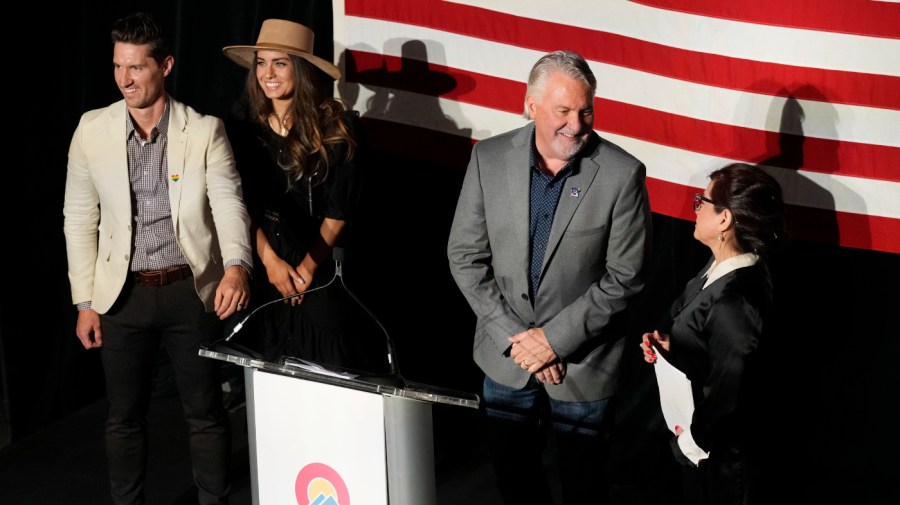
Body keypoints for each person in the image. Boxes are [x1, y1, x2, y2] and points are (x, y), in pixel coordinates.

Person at [63, 12, 252, 505]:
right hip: (122, 297)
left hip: (189, 294)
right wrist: (85, 300)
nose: (124, 79)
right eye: (117, 67)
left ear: (165, 65)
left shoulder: (204, 130)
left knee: (205, 412)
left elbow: (229, 203)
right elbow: (79, 218)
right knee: (123, 418)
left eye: (137, 68)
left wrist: (236, 266)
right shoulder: (92, 130)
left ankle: (214, 498)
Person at [447, 50, 652, 504]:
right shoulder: (489, 159)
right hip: (507, 359)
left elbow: (626, 277)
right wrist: (524, 341)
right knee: (514, 482)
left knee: (585, 487)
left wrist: (553, 341)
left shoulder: (622, 175)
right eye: (563, 111)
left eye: (586, 110)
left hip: (584, 365)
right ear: (531, 104)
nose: (576, 124)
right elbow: (465, 256)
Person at [221, 19, 379, 372]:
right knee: (263, 368)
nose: (268, 73)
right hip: (265, 261)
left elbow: (338, 213)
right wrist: (271, 264)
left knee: (325, 366)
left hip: (317, 266)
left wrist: (305, 270)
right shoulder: (242, 122)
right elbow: (237, 202)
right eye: (261, 62)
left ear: (302, 70)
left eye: (280, 63)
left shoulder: (338, 127)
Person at [639, 163, 787, 505]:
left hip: (721, 467)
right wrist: (672, 348)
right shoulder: (721, 266)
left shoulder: (736, 298)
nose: (695, 208)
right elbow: (715, 345)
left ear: (724, 220)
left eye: (701, 201)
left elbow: (728, 396)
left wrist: (687, 445)